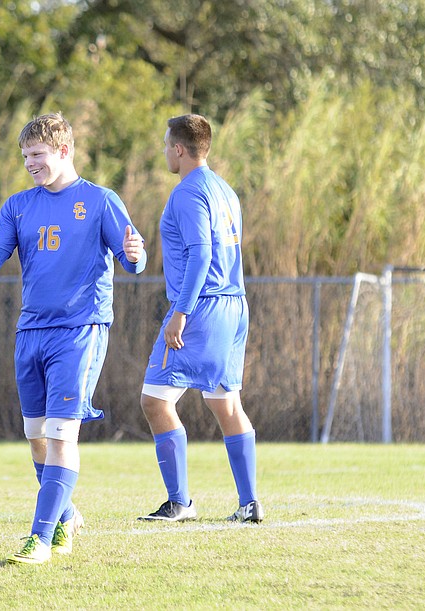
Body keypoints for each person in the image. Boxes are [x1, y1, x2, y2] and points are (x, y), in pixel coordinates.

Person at [0, 112, 146, 565]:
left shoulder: (100, 201)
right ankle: (67, 515)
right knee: (36, 436)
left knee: (63, 434)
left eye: (38, 154)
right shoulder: (18, 206)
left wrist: (135, 255)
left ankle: (40, 539)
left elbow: (132, 258)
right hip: (31, 331)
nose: (30, 163)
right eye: (26, 156)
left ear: (64, 151)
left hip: (80, 331)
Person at [137, 114, 262, 524]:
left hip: (202, 307)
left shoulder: (187, 193)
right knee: (225, 403)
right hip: (235, 305)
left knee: (155, 400)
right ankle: (249, 503)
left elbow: (201, 253)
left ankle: (180, 502)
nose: (164, 152)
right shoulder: (225, 190)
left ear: (178, 149)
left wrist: (181, 312)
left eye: (165, 145)